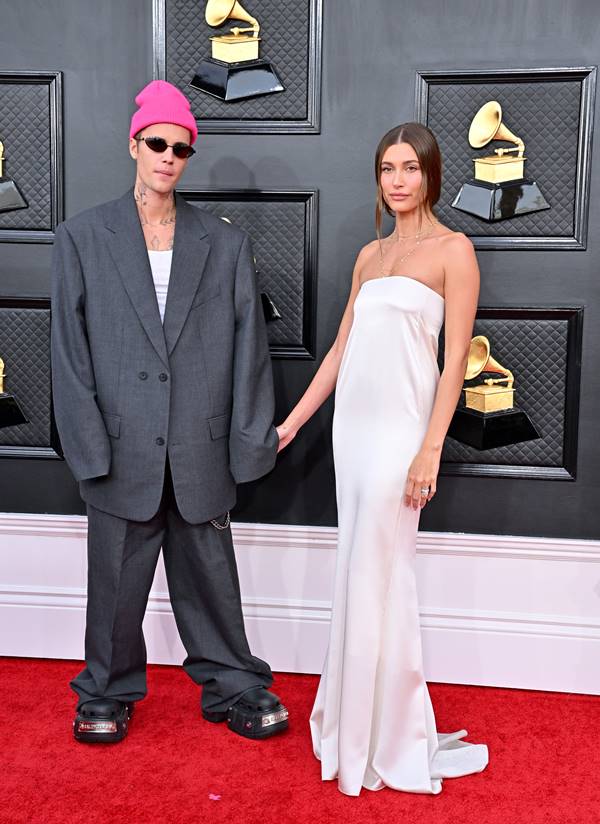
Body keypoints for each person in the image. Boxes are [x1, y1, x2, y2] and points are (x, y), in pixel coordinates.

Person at [51, 80, 288, 743]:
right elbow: (68, 353)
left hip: (200, 443)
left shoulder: (224, 244)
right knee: (116, 587)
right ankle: (105, 690)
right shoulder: (82, 237)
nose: (167, 158)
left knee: (212, 580)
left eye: (180, 150)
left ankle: (235, 686)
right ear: (135, 145)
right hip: (119, 443)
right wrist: (87, 445)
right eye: (157, 144)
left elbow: (250, 350)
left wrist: (247, 441)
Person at [277, 123, 488, 794]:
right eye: (387, 168)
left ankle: (390, 735)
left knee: (385, 575)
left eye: (410, 167)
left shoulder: (456, 250)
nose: (398, 179)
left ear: (431, 174)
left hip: (403, 435)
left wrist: (431, 447)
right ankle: (356, 726)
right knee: (357, 573)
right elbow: (339, 351)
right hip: (354, 432)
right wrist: (291, 424)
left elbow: (456, 360)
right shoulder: (369, 256)